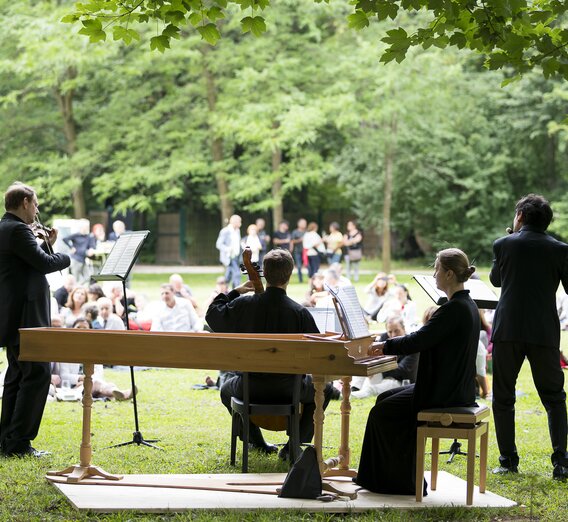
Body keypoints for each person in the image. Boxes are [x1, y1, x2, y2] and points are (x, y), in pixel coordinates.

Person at [355, 248, 479, 495]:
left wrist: (384, 346)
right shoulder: (465, 305)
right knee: (383, 399)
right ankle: (384, 477)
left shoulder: (453, 309)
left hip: (444, 393)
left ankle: (400, 482)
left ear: (450, 274)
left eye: (436, 269)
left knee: (382, 412)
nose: (434, 275)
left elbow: (418, 340)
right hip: (453, 387)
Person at [206, 249, 334, 459]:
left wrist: (236, 291)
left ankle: (255, 441)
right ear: (290, 274)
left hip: (249, 388)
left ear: (264, 272)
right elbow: (317, 354)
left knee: (225, 390)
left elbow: (212, 315)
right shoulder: (299, 313)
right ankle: (294, 444)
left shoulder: (243, 304)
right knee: (325, 390)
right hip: (289, 390)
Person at [490, 194, 568, 479]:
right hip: (543, 331)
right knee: (554, 397)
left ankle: (508, 460)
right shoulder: (560, 249)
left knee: (503, 397)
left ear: (520, 216)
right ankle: (561, 462)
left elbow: (496, 280)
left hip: (508, 329)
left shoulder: (503, 244)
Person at [0, 182, 70, 457]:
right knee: (38, 372)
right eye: (36, 204)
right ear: (26, 202)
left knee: (17, 374)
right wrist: (63, 254)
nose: (37, 210)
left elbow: (26, 261)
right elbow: (44, 264)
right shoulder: (18, 230)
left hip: (13, 315)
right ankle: (19, 443)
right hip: (27, 315)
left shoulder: (4, 228)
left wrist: (44, 244)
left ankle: (8, 438)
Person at [351, 315, 419, 399]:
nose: (393, 335)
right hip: (384, 374)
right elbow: (374, 357)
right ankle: (353, 389)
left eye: (397, 331)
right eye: (390, 332)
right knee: (362, 367)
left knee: (370, 389)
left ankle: (350, 396)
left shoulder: (411, 345)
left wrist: (377, 369)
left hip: (400, 381)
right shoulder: (384, 338)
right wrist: (371, 367)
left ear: (404, 329)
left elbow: (403, 370)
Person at [62, 219, 96, 285]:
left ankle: (79, 286)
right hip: (76, 259)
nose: (86, 228)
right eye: (85, 227)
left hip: (83, 259)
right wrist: (71, 247)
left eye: (87, 227)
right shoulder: (76, 235)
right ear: (81, 227)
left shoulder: (88, 236)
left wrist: (91, 249)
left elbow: (92, 246)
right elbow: (65, 239)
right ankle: (76, 289)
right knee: (75, 277)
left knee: (88, 277)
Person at [215, 214, 242, 289]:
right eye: (239, 221)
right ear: (233, 222)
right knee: (237, 274)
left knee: (228, 275)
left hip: (236, 256)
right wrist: (228, 248)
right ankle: (238, 291)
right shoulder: (225, 231)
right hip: (229, 256)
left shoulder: (237, 231)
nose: (240, 223)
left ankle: (222, 288)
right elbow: (218, 244)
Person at [290, 218, 307, 283]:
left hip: (305, 251)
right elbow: (292, 241)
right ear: (298, 224)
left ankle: (311, 278)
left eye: (305, 223)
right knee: (299, 266)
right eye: (303, 223)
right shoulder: (295, 232)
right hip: (297, 251)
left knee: (307, 265)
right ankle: (300, 280)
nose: (304, 224)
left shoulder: (307, 231)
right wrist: (300, 240)